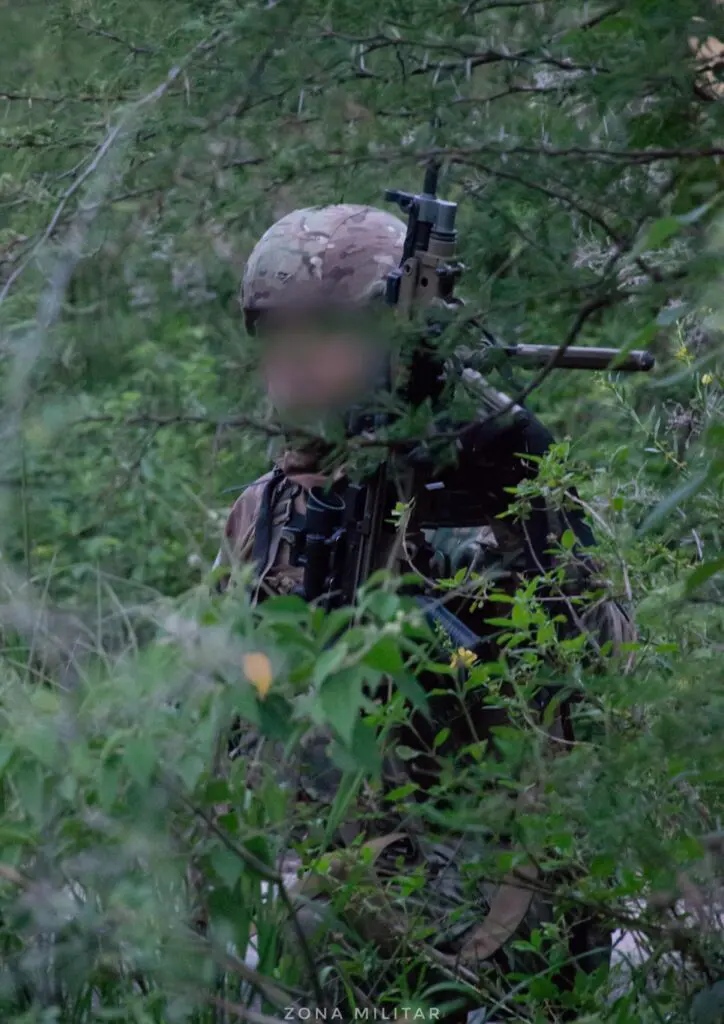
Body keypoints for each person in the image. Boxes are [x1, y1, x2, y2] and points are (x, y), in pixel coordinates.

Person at [212, 203, 634, 1019]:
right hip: (323, 898)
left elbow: (602, 675)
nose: (292, 353)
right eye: (273, 326)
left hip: (495, 910)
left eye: (324, 327)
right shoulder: (262, 510)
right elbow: (231, 709)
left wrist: (523, 487)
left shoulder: (503, 488)